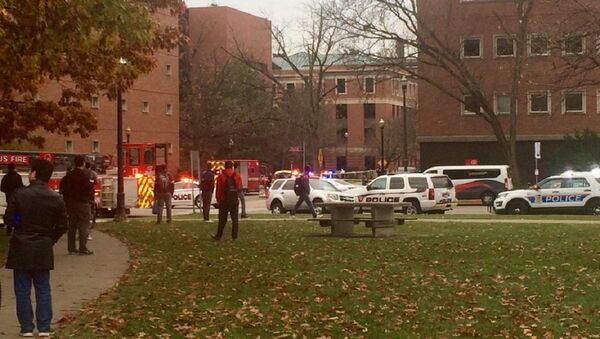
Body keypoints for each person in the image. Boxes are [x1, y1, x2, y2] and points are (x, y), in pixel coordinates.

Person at [5, 158, 68, 337]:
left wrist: (20, 222)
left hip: (21, 245)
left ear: (33, 174)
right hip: (43, 246)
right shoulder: (56, 198)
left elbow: (10, 218)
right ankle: (44, 327)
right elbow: (63, 225)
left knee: (22, 289)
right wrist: (50, 238)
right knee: (43, 288)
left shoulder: (19, 194)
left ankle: (26, 327)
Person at [61, 155, 94, 255]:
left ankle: (71, 248)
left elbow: (62, 188)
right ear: (83, 163)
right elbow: (89, 188)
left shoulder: (68, 176)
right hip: (82, 203)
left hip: (70, 203)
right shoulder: (84, 176)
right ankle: (82, 248)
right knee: (84, 225)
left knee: (72, 225)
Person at [212, 161, 241, 240]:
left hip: (224, 201)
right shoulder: (237, 176)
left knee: (222, 220)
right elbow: (238, 187)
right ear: (232, 167)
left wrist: (219, 199)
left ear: (225, 167)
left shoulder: (221, 176)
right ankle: (234, 236)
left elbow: (219, 189)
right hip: (234, 201)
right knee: (235, 219)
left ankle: (219, 235)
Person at [1, 162, 24, 234]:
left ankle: (9, 226)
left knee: (9, 211)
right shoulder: (17, 177)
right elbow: (20, 187)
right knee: (17, 211)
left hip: (8, 197)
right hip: (16, 197)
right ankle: (16, 226)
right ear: (14, 168)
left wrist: (7, 191)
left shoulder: (5, 177)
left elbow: (2, 188)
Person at [83, 161, 98, 239]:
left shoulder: (81, 172)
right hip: (90, 197)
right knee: (89, 215)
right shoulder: (93, 174)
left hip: (81, 196)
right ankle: (87, 233)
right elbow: (96, 182)